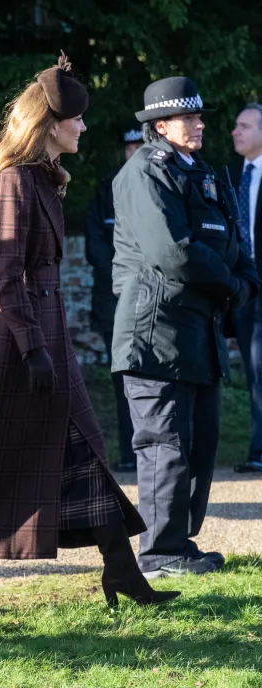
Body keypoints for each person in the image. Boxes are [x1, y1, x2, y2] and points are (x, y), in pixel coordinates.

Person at [0, 56, 178, 610]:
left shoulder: (44, 178)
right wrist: (32, 347)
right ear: (49, 125)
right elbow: (6, 272)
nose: (83, 127)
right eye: (76, 119)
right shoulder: (16, 180)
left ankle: (122, 571)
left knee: (84, 444)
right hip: (13, 339)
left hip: (42, 333)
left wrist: (44, 342)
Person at [112, 77, 260, 578]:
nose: (200, 124)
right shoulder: (145, 172)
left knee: (199, 443)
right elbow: (172, 251)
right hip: (156, 331)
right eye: (189, 117)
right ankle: (158, 555)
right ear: (160, 126)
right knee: (164, 443)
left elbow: (232, 240)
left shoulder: (201, 171)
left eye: (200, 116)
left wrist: (245, 281)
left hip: (198, 329)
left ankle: (179, 544)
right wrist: (232, 286)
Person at [84, 126, 143, 473]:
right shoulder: (106, 190)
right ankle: (130, 453)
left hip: (151, 300)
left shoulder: (160, 186)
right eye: (128, 146)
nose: (133, 151)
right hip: (114, 302)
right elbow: (95, 247)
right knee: (122, 378)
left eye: (139, 145)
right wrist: (126, 279)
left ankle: (157, 451)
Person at [229, 102, 262, 474]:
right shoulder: (230, 174)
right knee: (253, 369)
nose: (235, 132)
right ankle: (258, 449)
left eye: (245, 126)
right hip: (243, 290)